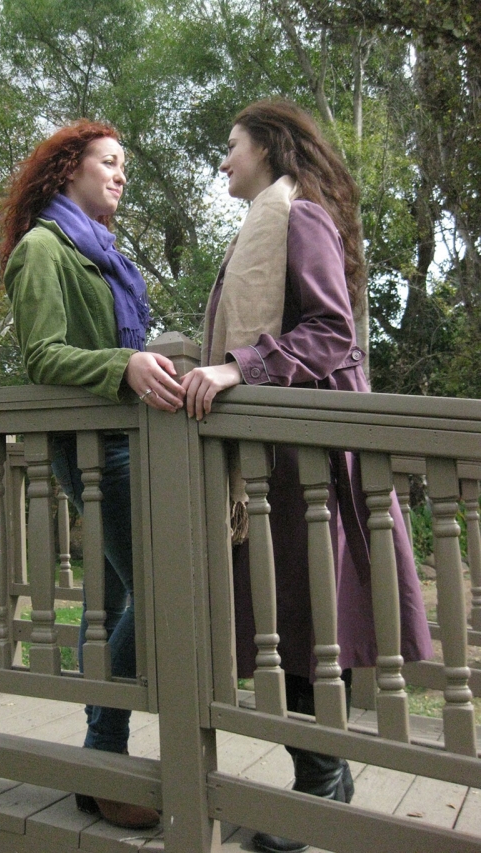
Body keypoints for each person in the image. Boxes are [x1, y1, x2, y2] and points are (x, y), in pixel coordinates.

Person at [181, 100, 433, 853]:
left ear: (268, 146)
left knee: (297, 620)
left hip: (308, 459)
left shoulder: (302, 216)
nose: (223, 160)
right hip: (275, 461)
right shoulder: (264, 220)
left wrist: (237, 367)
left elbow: (330, 331)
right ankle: (327, 782)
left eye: (231, 145)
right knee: (281, 620)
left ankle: (320, 785)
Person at [0, 120, 184, 830]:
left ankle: (94, 760)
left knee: (110, 597)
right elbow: (43, 356)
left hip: (123, 439)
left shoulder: (100, 252)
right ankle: (102, 752)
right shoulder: (43, 248)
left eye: (124, 166)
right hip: (93, 448)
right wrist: (124, 365)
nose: (121, 175)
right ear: (68, 166)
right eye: (109, 162)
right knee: (158, 585)